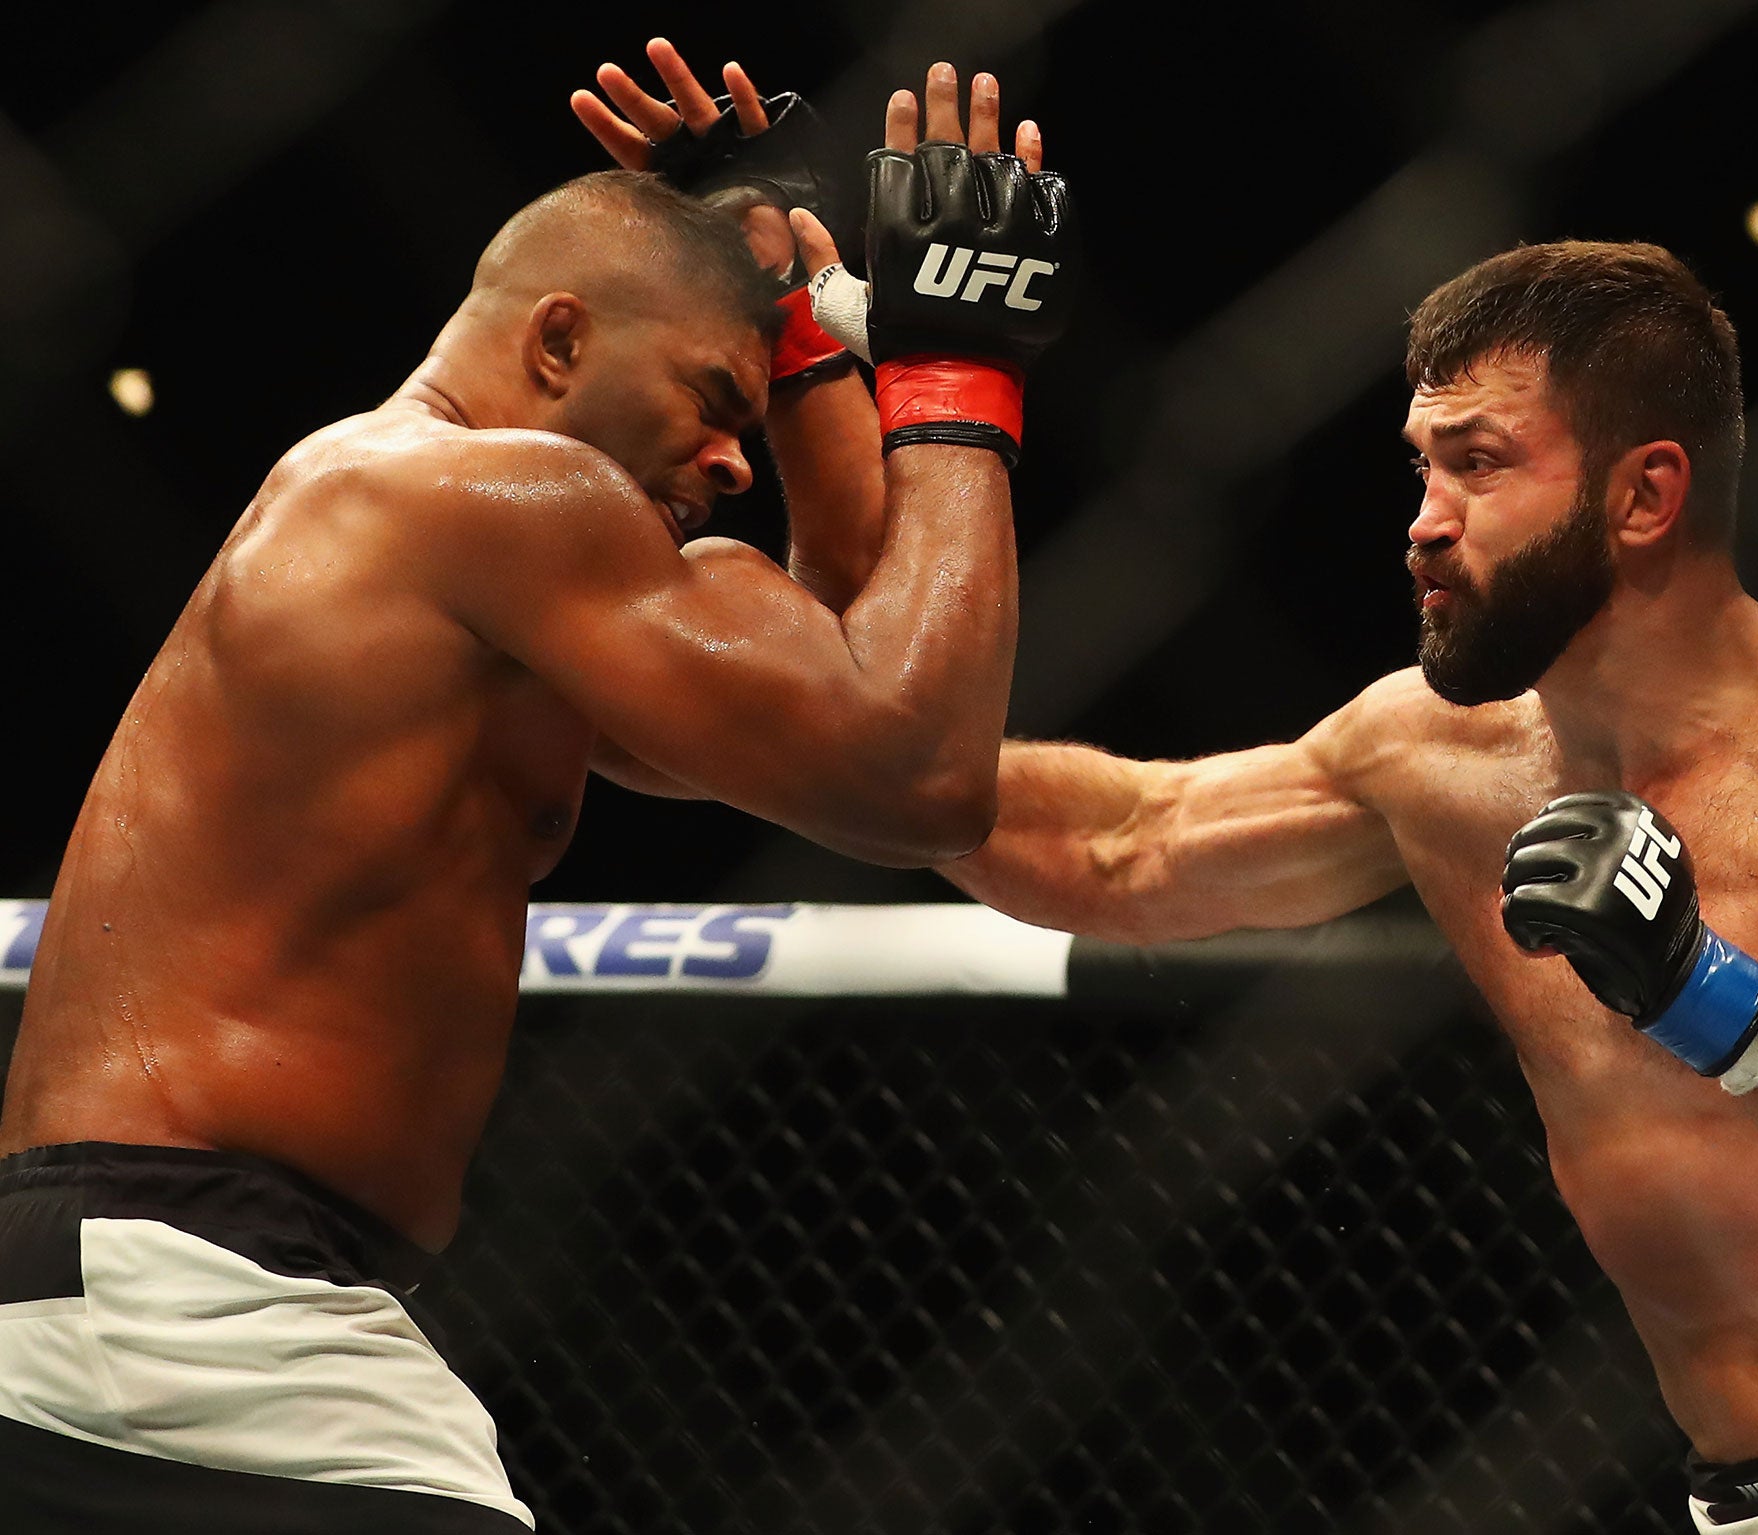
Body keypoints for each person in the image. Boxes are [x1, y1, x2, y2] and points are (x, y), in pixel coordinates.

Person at [0, 58, 1072, 1534]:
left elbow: (838, 690)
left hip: (167, 1284)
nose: (729, 464)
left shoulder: (418, 543)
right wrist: (955, 372)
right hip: (195, 1302)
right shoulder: (491, 499)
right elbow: (922, 771)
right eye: (712, 401)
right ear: (559, 339)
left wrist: (807, 340)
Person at [925, 239, 1758, 1532]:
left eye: (1481, 462)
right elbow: (1117, 850)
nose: (1424, 519)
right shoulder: (1437, 753)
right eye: (1424, 464)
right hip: (1740, 1495)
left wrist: (1705, 995)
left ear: (1644, 497)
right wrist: (831, 719)